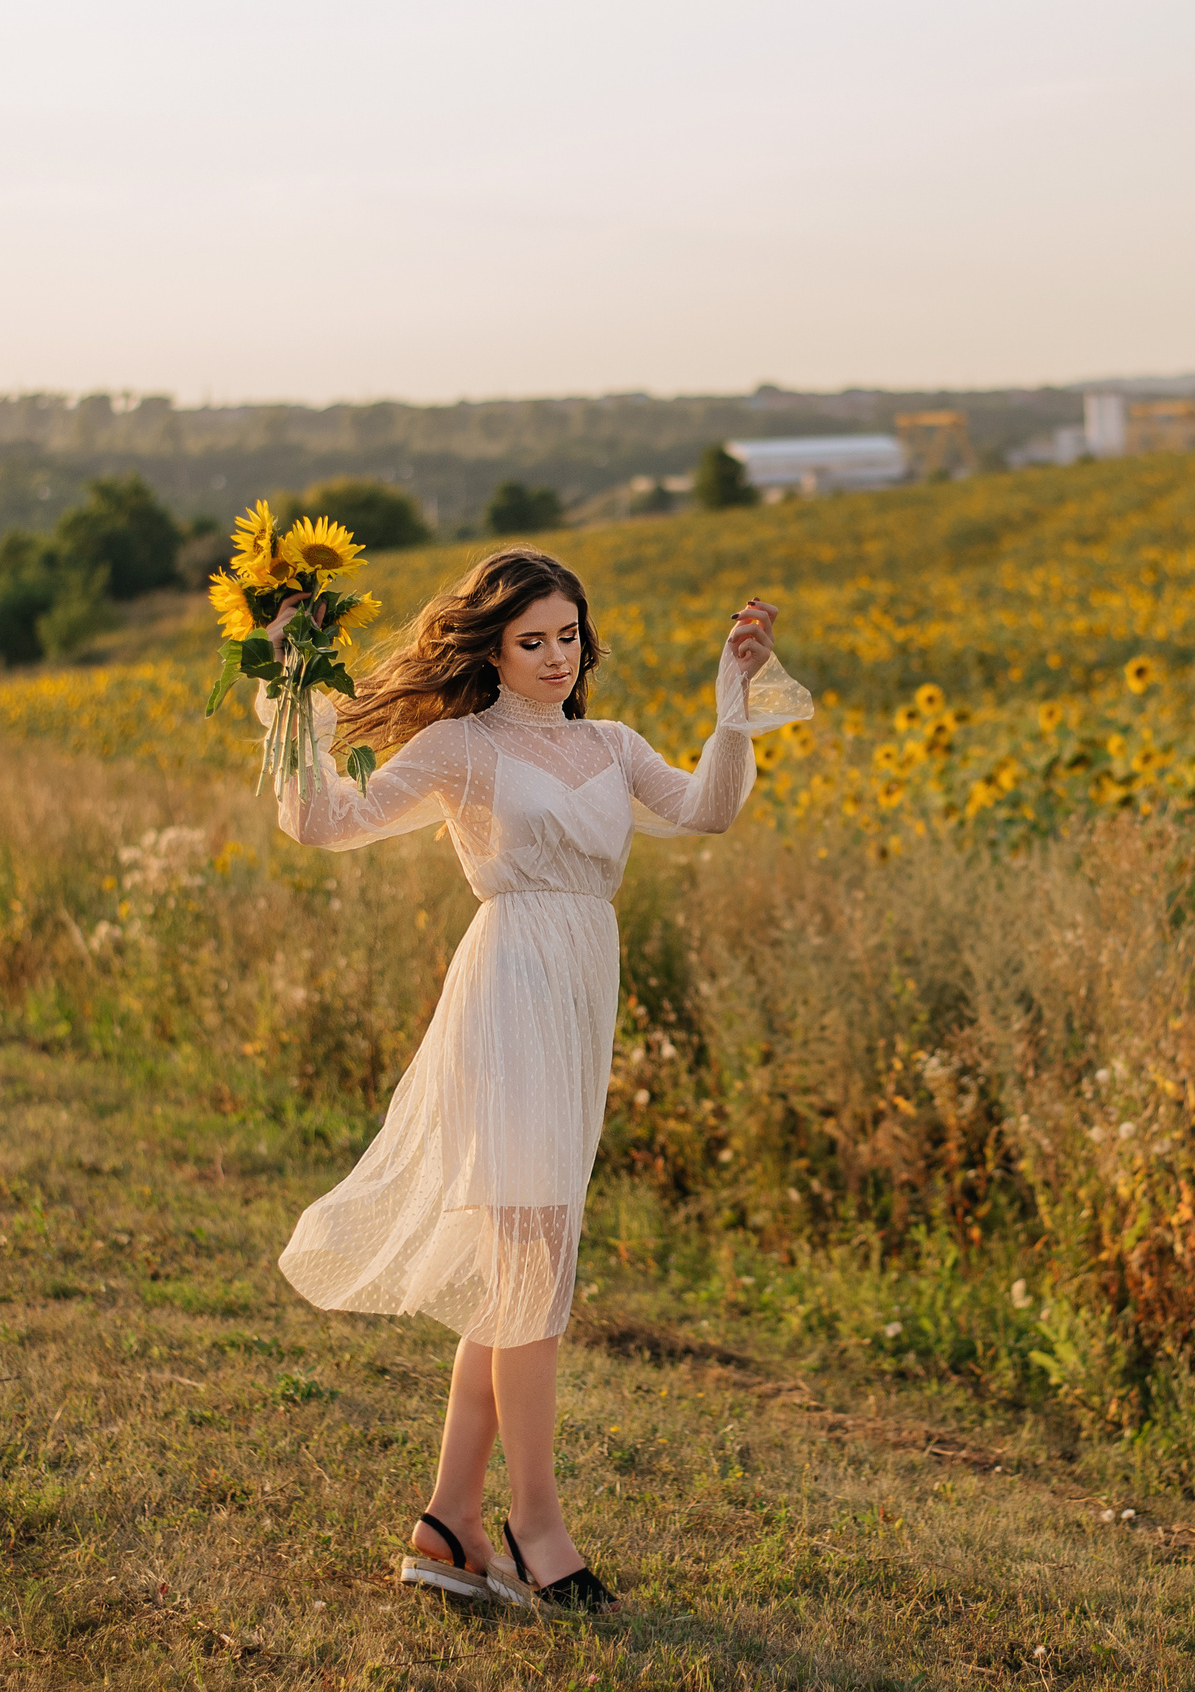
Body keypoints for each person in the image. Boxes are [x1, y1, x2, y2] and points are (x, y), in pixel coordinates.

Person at [255, 546, 803, 1612]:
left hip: (577, 1000)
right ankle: (537, 1526)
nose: (556, 657)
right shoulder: (460, 746)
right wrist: (292, 697)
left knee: (524, 1263)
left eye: (568, 635)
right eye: (531, 640)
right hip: (506, 996)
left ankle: (447, 1520)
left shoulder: (611, 743)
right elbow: (324, 821)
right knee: (536, 1262)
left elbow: (707, 811)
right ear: (491, 648)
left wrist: (732, 704)